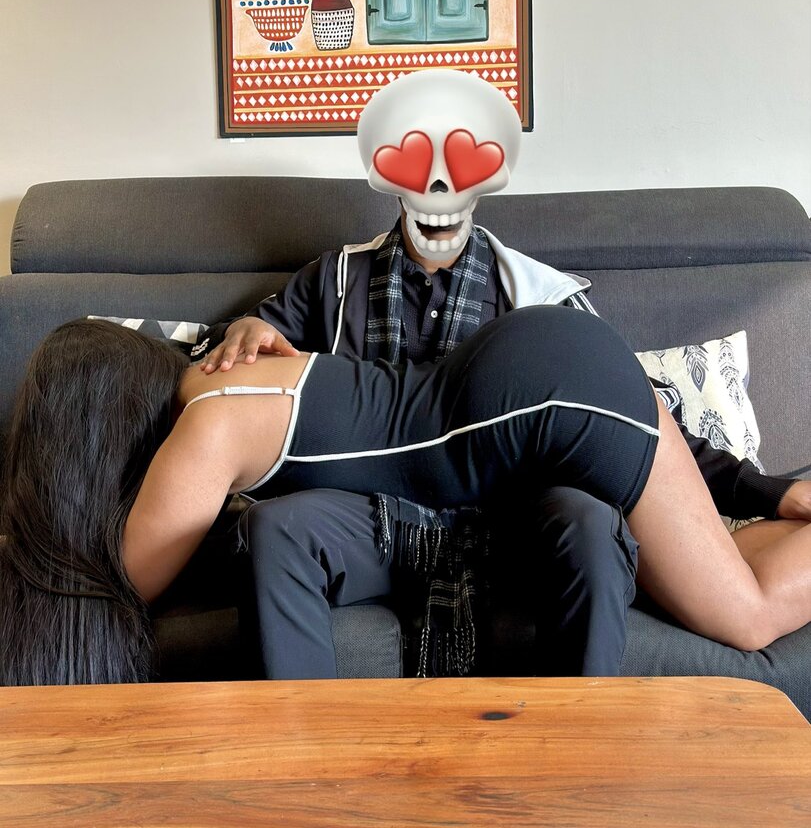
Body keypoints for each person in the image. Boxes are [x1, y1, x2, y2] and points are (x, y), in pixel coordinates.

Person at [194, 70, 810, 680]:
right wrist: (243, 329)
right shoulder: (331, 280)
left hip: (513, 523)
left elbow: (637, 431)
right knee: (273, 529)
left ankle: (581, 736)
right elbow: (229, 368)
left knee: (590, 524)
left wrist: (765, 491)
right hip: (372, 518)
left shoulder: (545, 301)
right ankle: (301, 743)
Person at [2, 311, 810, 687]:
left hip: (539, 399)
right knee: (703, 572)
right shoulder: (231, 379)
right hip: (531, 369)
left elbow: (115, 585)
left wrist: (31, 533)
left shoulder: (207, 428)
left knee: (746, 616)